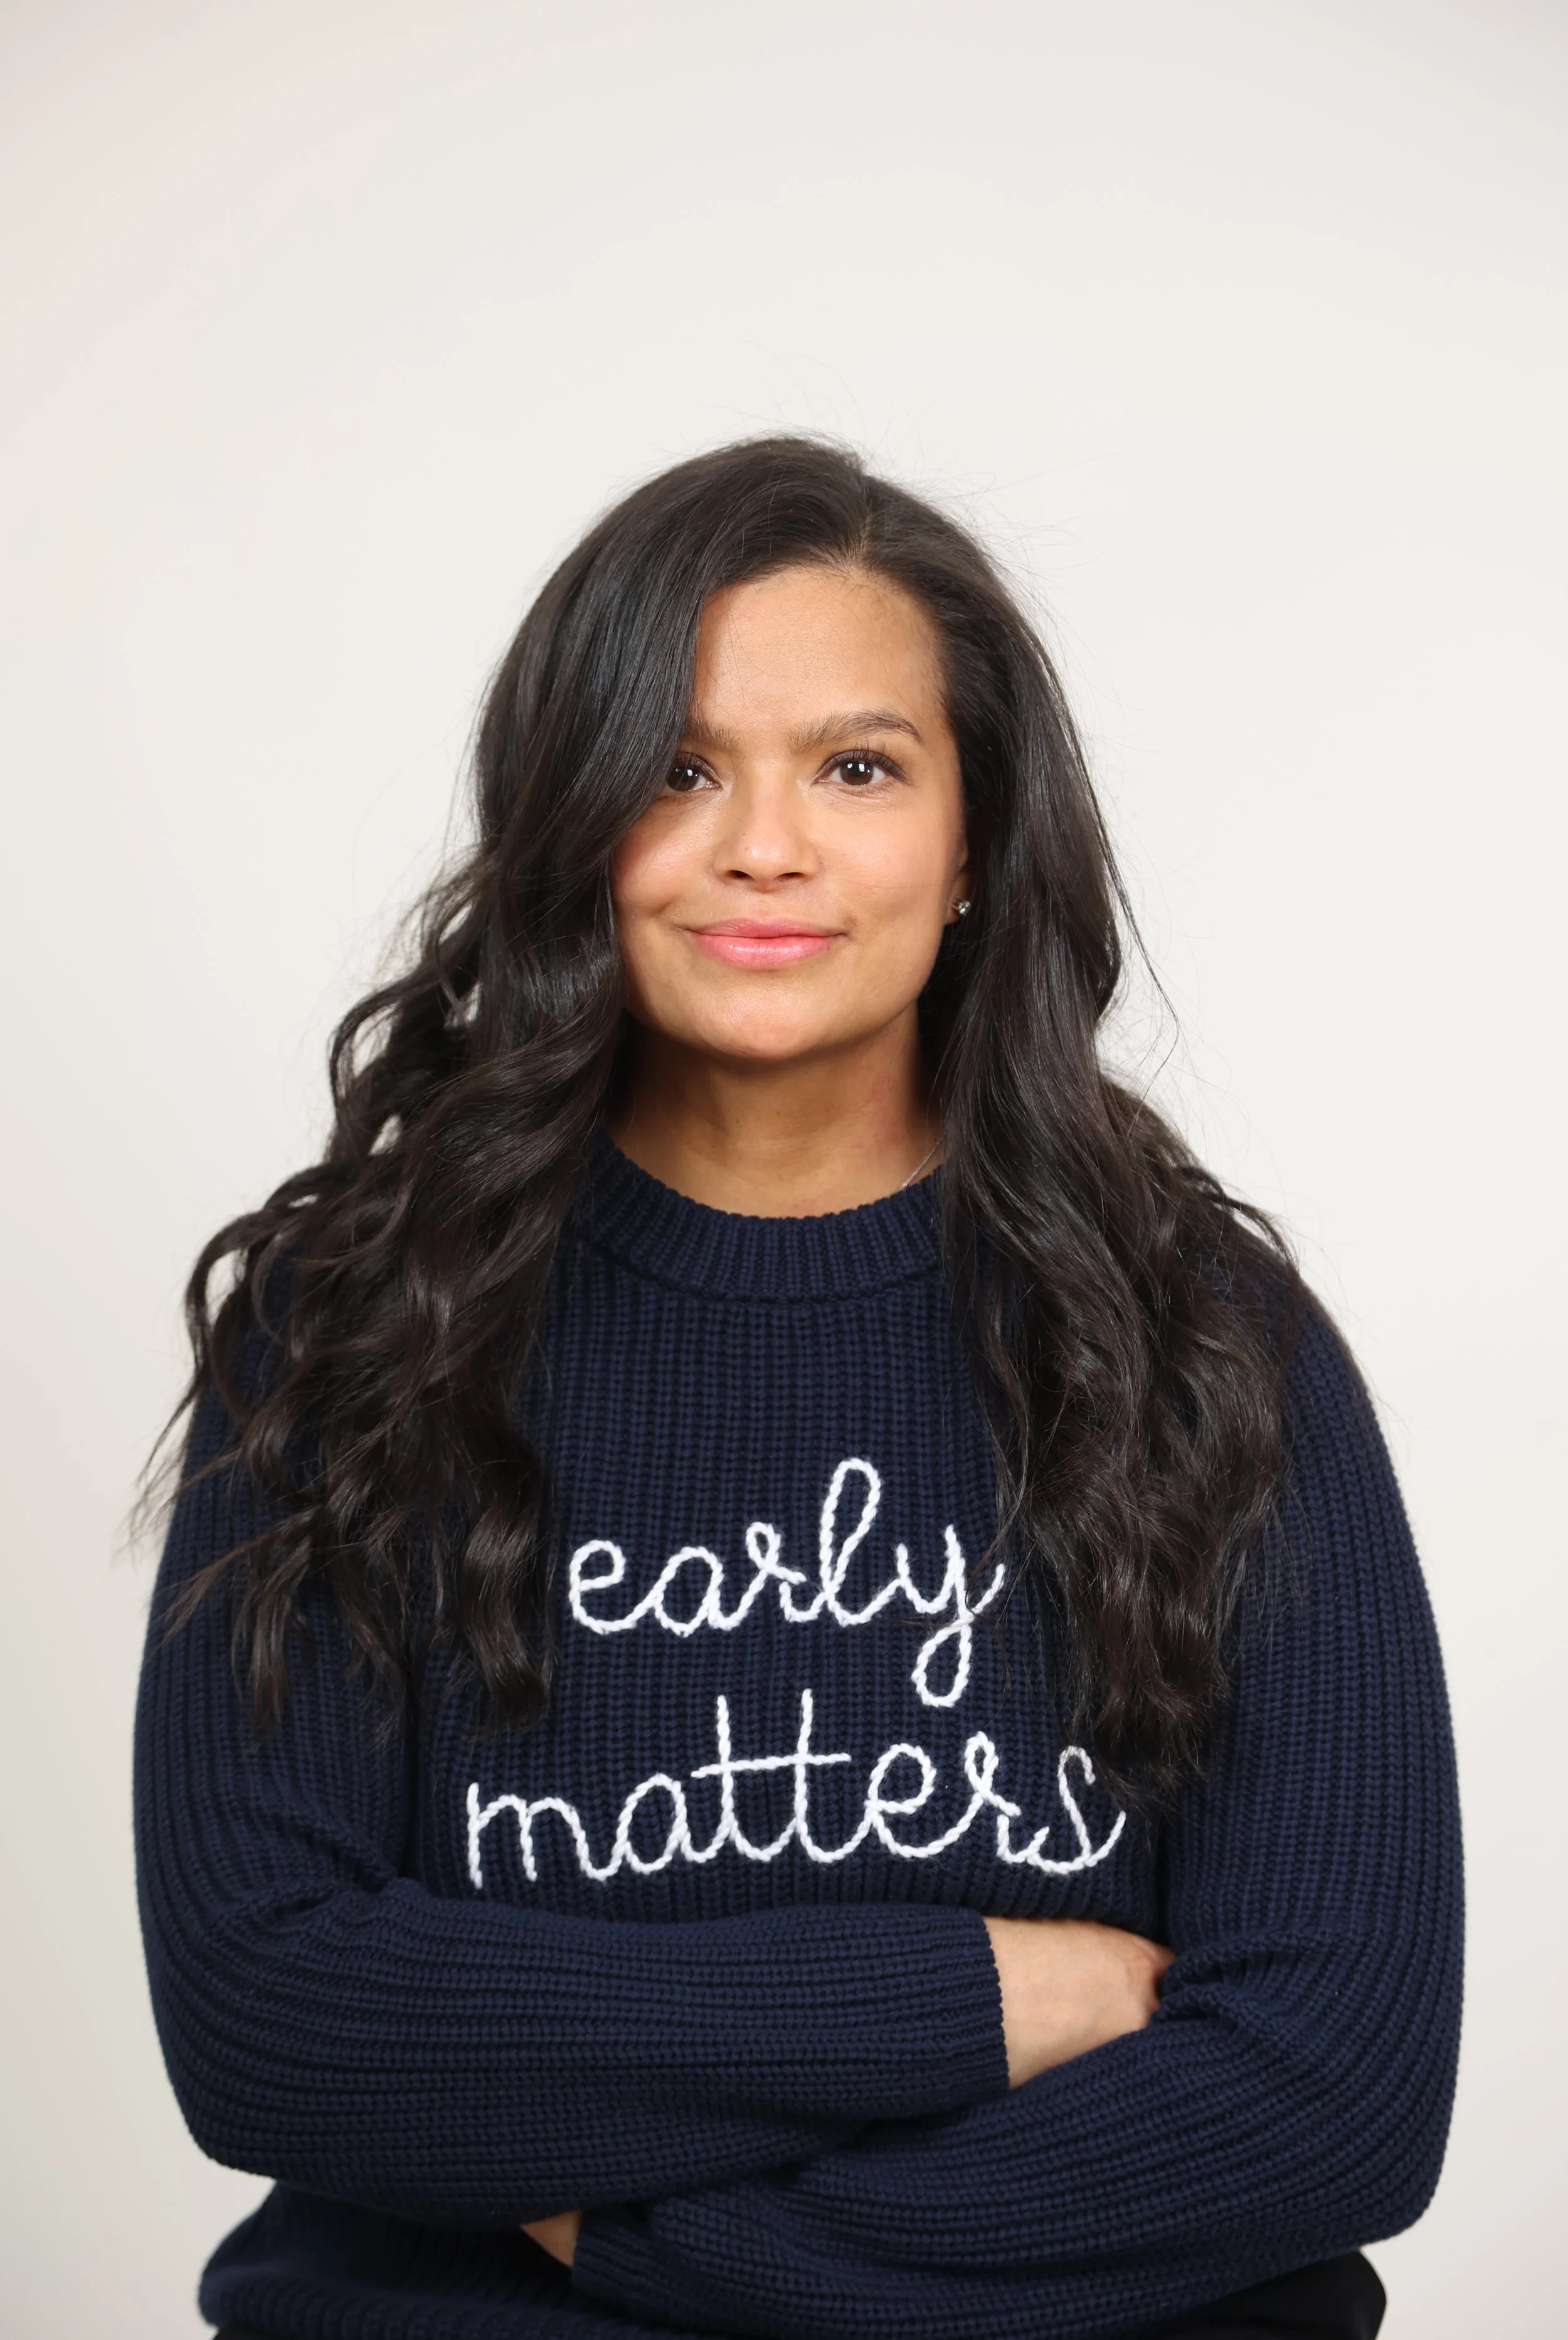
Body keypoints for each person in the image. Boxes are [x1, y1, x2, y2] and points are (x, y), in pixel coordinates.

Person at [135, 436, 1461, 2340]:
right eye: (679, 768)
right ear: (568, 815)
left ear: (974, 837)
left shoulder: (1206, 1345)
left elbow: (1331, 2097)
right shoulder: (356, 1330)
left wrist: (674, 2247)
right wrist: (985, 1997)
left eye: (857, 767)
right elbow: (275, 2018)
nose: (766, 844)